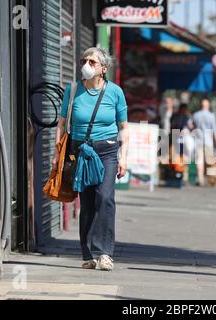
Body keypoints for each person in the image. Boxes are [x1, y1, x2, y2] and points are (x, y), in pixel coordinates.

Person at [52, 47, 129, 271]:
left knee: (104, 197)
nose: (86, 64)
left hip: (106, 152)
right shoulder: (73, 89)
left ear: (103, 69)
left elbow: (124, 127)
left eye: (92, 62)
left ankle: (105, 253)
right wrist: (58, 154)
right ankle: (88, 253)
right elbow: (61, 123)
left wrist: (123, 157)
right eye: (83, 60)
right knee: (86, 203)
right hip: (81, 151)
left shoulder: (115, 92)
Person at [192, 99, 216, 187]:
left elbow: (192, 127)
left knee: (199, 161)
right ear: (208, 106)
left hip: (198, 140)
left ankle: (200, 179)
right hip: (208, 142)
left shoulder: (196, 115)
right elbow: (214, 131)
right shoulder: (211, 116)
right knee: (210, 162)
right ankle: (211, 180)